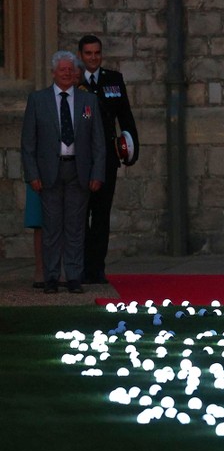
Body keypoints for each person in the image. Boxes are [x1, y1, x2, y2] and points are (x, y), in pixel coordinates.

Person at [21, 50, 105, 294]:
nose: (67, 73)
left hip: (79, 170)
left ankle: (74, 277)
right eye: (62, 69)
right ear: (53, 72)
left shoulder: (88, 102)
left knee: (76, 227)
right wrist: (32, 174)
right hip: (48, 172)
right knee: (51, 228)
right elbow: (28, 143)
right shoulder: (38, 100)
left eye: (71, 69)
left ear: (75, 73)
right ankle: (51, 277)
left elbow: (98, 141)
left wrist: (97, 173)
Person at [78, 34, 140, 284]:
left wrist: (132, 151)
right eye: (88, 54)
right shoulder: (74, 80)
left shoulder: (113, 80)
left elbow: (125, 116)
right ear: (81, 55)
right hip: (80, 160)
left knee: (101, 216)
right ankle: (80, 268)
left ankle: (97, 269)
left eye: (97, 53)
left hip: (107, 159)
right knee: (81, 216)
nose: (93, 58)